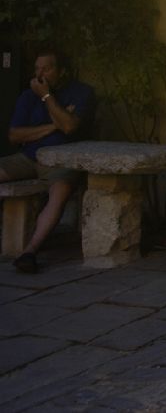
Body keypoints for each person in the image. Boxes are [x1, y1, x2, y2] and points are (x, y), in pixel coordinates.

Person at [0, 49, 96, 273]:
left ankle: (30, 251)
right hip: (28, 157)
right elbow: (15, 135)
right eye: (37, 68)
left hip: (62, 161)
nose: (40, 74)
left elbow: (70, 127)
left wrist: (46, 97)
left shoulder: (82, 93)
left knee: (60, 193)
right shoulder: (27, 95)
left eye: (47, 68)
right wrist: (55, 125)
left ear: (61, 71)